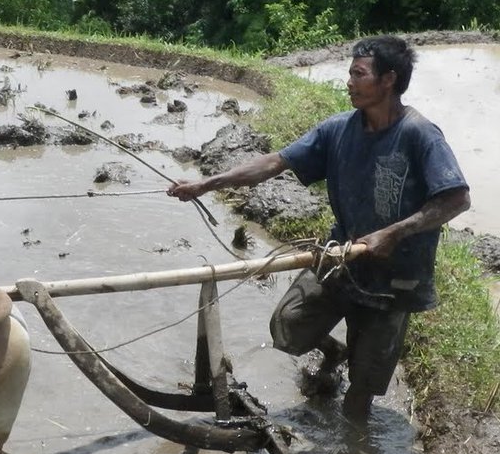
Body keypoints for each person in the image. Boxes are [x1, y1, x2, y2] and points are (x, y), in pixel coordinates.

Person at [167, 36, 470, 421]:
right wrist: (206, 184)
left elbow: (456, 198)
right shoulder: (338, 129)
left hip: (394, 278)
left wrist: (394, 232)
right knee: (288, 326)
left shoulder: (420, 135)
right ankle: (333, 351)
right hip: (340, 258)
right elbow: (274, 163)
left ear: (388, 80)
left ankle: (351, 443)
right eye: (349, 73)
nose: (349, 81)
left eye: (358, 74)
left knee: (363, 387)